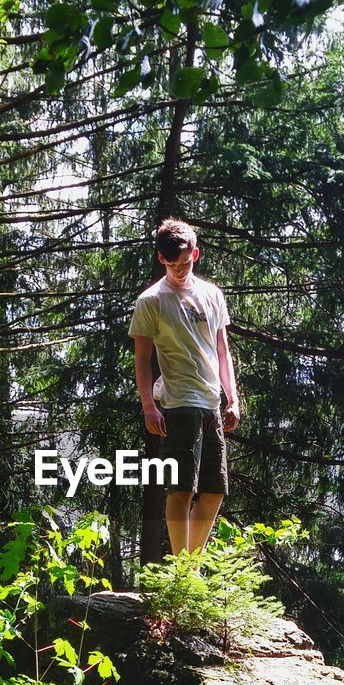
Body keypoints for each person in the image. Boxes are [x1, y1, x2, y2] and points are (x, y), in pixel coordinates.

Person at [129, 218, 240, 555]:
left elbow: (222, 350)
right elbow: (143, 358)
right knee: (180, 490)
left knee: (214, 491)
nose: (180, 270)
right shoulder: (151, 301)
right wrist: (149, 405)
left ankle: (189, 568)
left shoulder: (212, 295)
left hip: (211, 403)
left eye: (186, 262)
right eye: (172, 263)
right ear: (162, 259)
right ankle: (183, 573)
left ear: (197, 254)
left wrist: (232, 398)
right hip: (177, 404)